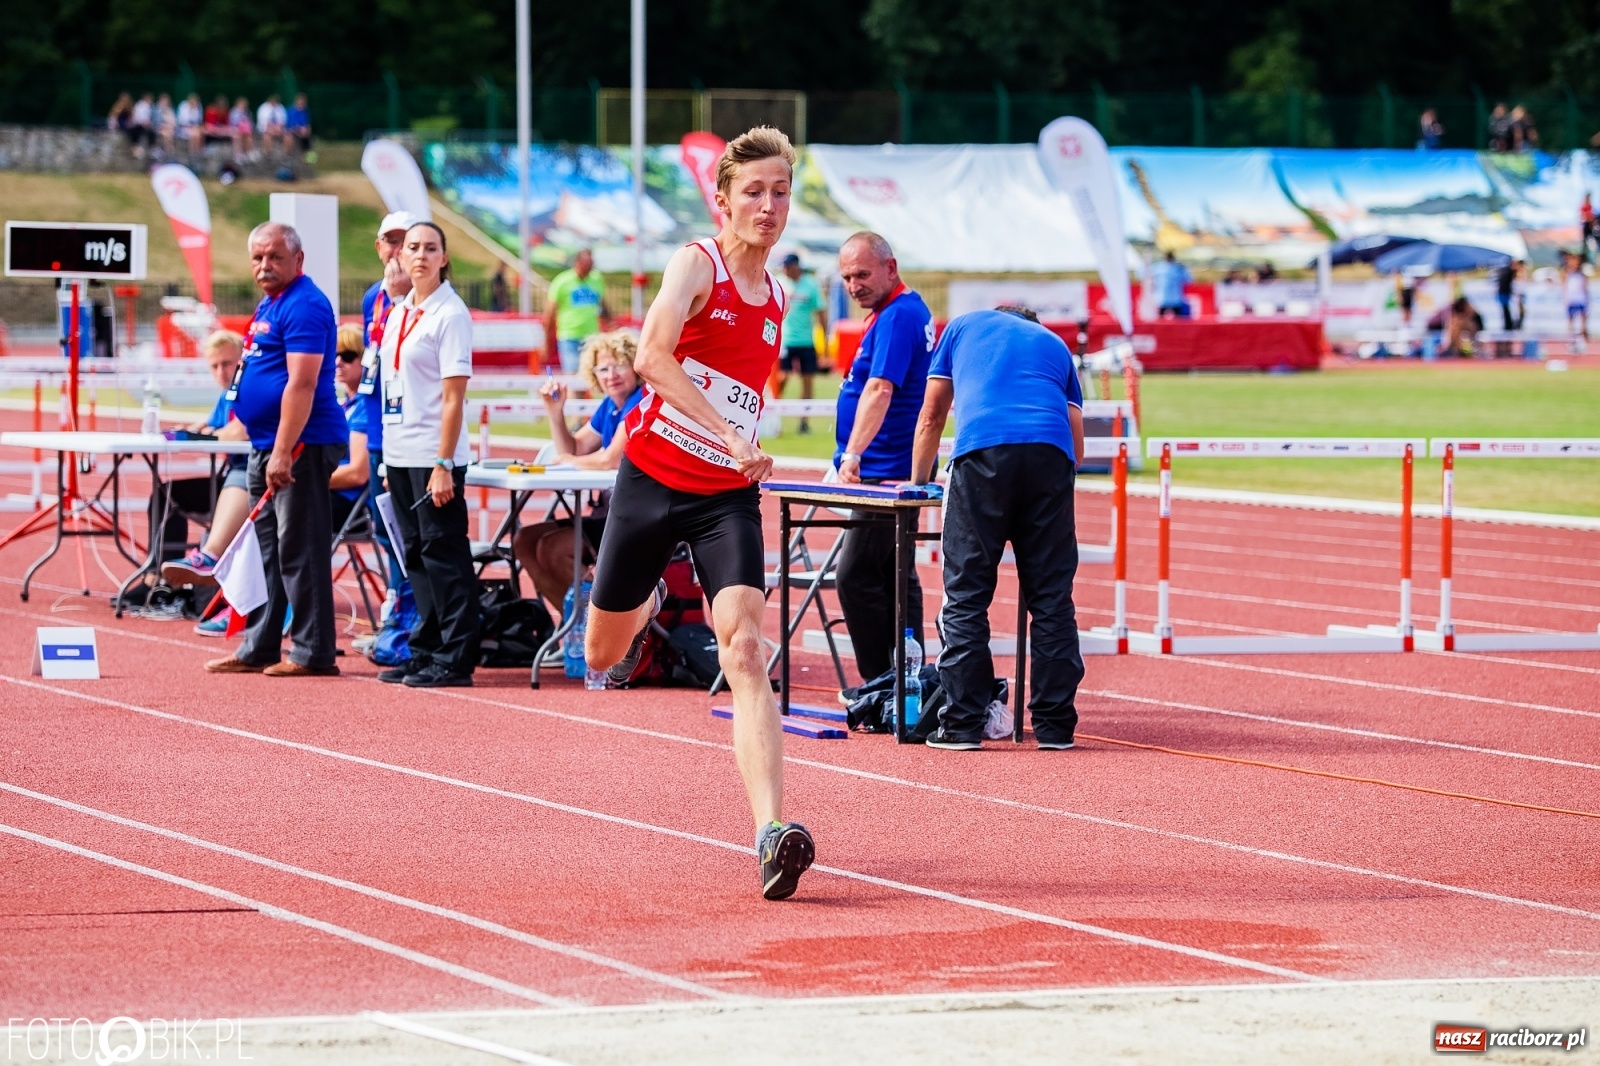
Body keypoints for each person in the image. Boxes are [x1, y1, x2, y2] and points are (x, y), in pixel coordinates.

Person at [584, 127, 815, 901]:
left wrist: (739, 442)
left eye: (780, 192)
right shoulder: (696, 264)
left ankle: (771, 833)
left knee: (745, 649)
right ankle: (644, 600)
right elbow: (652, 358)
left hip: (725, 497)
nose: (769, 206)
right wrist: (726, 431)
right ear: (723, 200)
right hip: (651, 480)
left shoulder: (779, 296)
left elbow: (740, 391)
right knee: (600, 652)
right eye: (754, 192)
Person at [910, 304, 1085, 752]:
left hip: (982, 453)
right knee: (1052, 600)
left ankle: (963, 724)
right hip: (1051, 458)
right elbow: (1077, 445)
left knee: (966, 595)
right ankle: (1055, 728)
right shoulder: (1056, 345)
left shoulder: (964, 326)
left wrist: (918, 482)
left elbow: (931, 414)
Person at [204, 222, 348, 678]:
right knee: (268, 549)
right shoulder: (272, 301)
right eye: (258, 258)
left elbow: (302, 384)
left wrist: (284, 450)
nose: (264, 265)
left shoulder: (305, 305)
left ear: (298, 260)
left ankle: (313, 651)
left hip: (302, 442)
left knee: (300, 547)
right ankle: (260, 644)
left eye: (275, 257)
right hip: (266, 443)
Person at [375, 221, 479, 689]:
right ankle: (427, 648)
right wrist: (387, 459)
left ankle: (456, 657)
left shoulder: (450, 314)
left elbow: (453, 398)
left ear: (443, 257)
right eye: (412, 247)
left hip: (434, 456)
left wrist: (443, 463)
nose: (419, 255)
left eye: (430, 248)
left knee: (444, 555)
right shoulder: (399, 311)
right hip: (400, 454)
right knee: (415, 556)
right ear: (400, 256)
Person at [832, 231, 932, 683]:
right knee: (896, 576)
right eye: (847, 278)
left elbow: (880, 389)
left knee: (856, 576)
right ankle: (905, 682)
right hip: (887, 466)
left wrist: (853, 453)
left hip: (884, 470)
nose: (854, 286)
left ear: (890, 268)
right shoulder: (897, 312)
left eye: (862, 274)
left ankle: (881, 683)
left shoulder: (897, 316)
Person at [512, 331, 644, 606]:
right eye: (603, 369)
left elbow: (609, 459)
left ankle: (601, 619)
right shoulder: (609, 405)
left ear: (635, 366)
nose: (611, 375)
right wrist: (555, 412)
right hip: (609, 512)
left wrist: (569, 460)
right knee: (524, 540)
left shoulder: (641, 400)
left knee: (552, 549)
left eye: (619, 365)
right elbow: (573, 449)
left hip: (637, 517)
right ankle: (572, 622)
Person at [158, 331, 252, 608]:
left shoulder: (253, 391)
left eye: (227, 364)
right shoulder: (227, 395)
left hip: (252, 479)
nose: (222, 372)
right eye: (215, 366)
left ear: (242, 361)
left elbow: (237, 432)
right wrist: (194, 431)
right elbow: (211, 428)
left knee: (239, 478)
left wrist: (208, 434)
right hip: (231, 479)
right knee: (166, 494)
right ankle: (159, 578)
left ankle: (209, 561)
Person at [360, 210, 421, 591]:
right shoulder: (372, 297)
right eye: (391, 241)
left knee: (412, 529)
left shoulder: (426, 298)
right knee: (384, 526)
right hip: (376, 426)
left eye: (407, 243)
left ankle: (413, 606)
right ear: (379, 247)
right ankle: (398, 600)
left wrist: (401, 299)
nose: (398, 251)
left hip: (412, 432)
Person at [776, 252, 828, 433]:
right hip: (784, 341)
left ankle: (804, 423)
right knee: (781, 379)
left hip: (806, 341)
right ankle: (772, 419)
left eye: (788, 266)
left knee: (807, 382)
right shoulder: (779, 283)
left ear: (796, 266)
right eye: (783, 267)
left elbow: (821, 313)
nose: (785, 270)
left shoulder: (811, 285)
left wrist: (825, 342)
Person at [329, 323, 371, 534]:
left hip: (351, 505)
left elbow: (358, 473)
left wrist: (306, 480)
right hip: (335, 495)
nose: (338, 362)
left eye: (347, 356)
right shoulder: (345, 404)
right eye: (334, 355)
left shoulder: (366, 406)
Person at [544, 249, 607, 374]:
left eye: (591, 264)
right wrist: (547, 340)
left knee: (592, 373)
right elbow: (550, 313)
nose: (589, 268)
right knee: (572, 374)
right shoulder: (562, 281)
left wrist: (610, 323)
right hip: (569, 335)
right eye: (587, 264)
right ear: (577, 263)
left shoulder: (596, 279)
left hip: (591, 335)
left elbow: (602, 304)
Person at [1148, 250, 1191, 318]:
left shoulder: (1179, 268)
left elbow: (1188, 280)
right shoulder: (1158, 267)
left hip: (1175, 299)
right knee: (1161, 320)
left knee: (1177, 319)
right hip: (1163, 298)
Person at [1564, 251, 1588, 347]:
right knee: (1571, 319)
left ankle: (1581, 337)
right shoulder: (1567, 273)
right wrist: (1565, 298)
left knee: (1583, 318)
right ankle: (1571, 338)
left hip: (1581, 299)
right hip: (1571, 299)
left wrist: (1586, 298)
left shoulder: (1581, 274)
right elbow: (1564, 286)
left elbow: (1585, 287)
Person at [1494, 259, 1522, 333]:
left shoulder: (1507, 271)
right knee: (1506, 310)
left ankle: (1509, 325)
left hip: (1504, 293)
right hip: (1504, 293)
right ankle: (1508, 325)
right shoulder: (1509, 271)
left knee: (1507, 310)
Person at [129, 93, 155, 158]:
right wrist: (144, 123)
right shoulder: (141, 106)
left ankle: (151, 149)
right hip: (137, 126)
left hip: (142, 126)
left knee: (151, 132)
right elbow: (137, 118)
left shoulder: (147, 107)